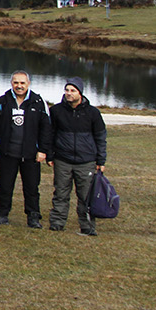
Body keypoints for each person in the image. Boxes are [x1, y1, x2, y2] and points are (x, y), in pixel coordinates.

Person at [0, 70, 51, 228]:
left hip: (30, 154)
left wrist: (43, 150)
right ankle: (1, 215)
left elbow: (46, 128)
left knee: (31, 187)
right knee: (5, 185)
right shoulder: (2, 100)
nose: (19, 86)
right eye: (16, 82)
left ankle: (33, 217)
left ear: (28, 84)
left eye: (22, 83)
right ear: (11, 83)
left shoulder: (38, 101)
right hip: (7, 152)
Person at [47, 78, 106, 235]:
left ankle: (87, 226)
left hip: (86, 161)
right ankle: (57, 223)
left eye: (72, 91)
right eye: (67, 90)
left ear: (80, 93)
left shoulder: (93, 113)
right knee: (61, 193)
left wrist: (101, 160)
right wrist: (50, 155)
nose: (68, 93)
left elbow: (100, 137)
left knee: (86, 196)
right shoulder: (56, 111)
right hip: (62, 159)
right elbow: (50, 134)